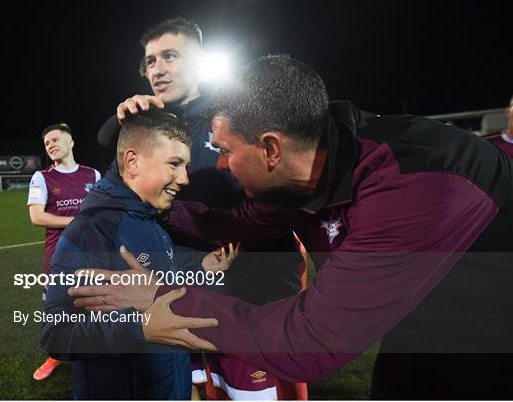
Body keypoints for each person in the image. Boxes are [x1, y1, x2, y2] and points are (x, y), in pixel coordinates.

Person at [72, 55, 513, 399]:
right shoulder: (308, 166)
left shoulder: (417, 184)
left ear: (270, 149)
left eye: (225, 149)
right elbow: (237, 222)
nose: (221, 163)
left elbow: (312, 340)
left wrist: (162, 299)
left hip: (486, 345)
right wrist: (143, 205)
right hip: (417, 336)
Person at [98, 17, 307, 400]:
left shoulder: (241, 112)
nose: (157, 69)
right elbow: (116, 201)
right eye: (150, 61)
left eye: (170, 56)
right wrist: (124, 128)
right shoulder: (150, 126)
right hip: (182, 286)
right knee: (195, 389)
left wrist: (174, 216)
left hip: (253, 291)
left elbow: (275, 210)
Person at [41, 109, 238, 399]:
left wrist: (202, 271)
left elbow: (159, 288)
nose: (184, 179)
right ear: (132, 162)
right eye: (174, 164)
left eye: (185, 166)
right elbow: (56, 335)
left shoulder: (150, 220)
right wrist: (139, 329)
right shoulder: (91, 231)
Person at [27, 123, 100, 380]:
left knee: (93, 304)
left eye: (56, 140)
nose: (51, 146)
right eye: (47, 144)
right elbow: (37, 216)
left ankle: (92, 350)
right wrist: (75, 221)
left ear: (71, 143)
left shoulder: (93, 175)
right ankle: (55, 355)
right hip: (57, 254)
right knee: (58, 309)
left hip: (90, 253)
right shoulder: (42, 177)